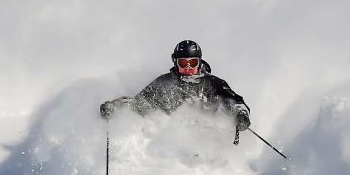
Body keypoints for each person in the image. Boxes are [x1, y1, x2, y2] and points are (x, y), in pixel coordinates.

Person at [100, 40, 251, 133]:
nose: (188, 67)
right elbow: (139, 103)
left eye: (193, 63)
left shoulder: (213, 83)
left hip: (207, 137)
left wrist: (241, 115)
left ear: (199, 62)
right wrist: (115, 107)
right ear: (175, 62)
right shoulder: (164, 83)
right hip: (173, 141)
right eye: (183, 63)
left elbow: (235, 102)